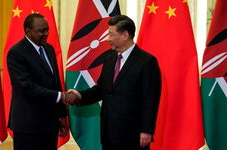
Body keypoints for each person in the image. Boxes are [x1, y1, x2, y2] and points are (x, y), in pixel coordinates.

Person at [66, 15, 161, 150]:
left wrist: (147, 130)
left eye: (111, 34)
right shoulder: (109, 58)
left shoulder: (146, 61)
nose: (107, 39)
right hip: (109, 132)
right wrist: (79, 95)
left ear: (125, 35)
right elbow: (102, 89)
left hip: (133, 134)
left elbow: (150, 99)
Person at [7, 13, 68, 150]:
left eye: (47, 30)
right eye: (41, 31)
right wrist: (61, 96)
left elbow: (55, 83)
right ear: (28, 31)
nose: (46, 34)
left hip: (50, 123)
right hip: (28, 126)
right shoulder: (16, 52)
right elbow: (27, 87)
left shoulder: (49, 49)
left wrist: (62, 115)